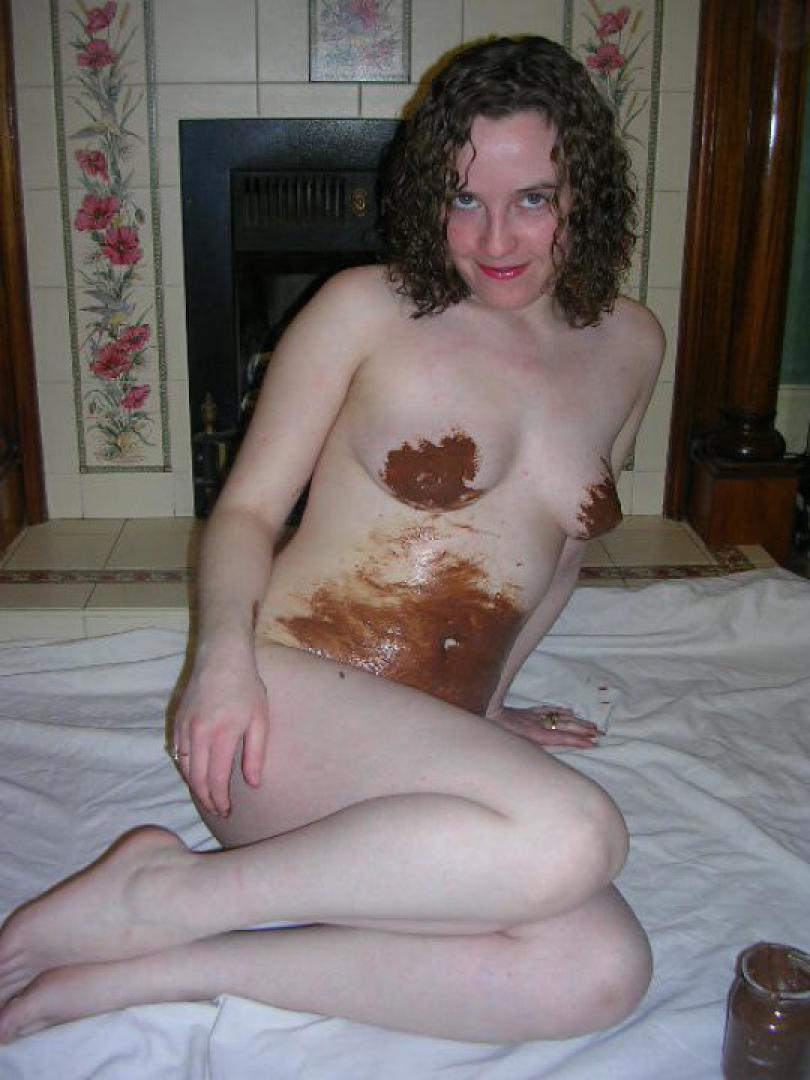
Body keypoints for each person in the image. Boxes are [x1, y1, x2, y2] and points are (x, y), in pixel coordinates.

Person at [0, 35, 663, 1045]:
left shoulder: (632, 343)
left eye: (533, 198)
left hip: (422, 748)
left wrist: (488, 715)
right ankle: (169, 895)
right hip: (287, 718)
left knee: (603, 972)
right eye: (464, 198)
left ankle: (170, 960)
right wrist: (222, 663)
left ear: (587, 194)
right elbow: (248, 511)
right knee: (576, 834)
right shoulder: (365, 311)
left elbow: (561, 553)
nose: (494, 237)